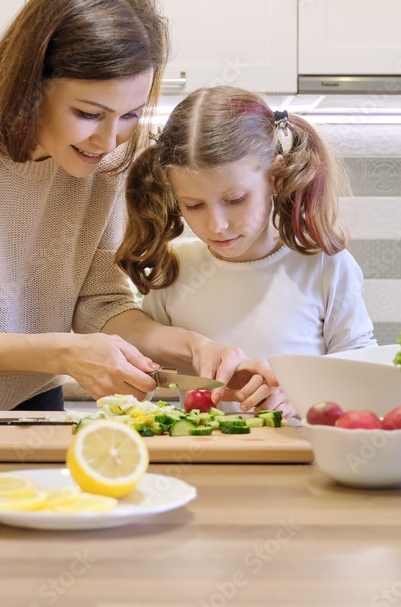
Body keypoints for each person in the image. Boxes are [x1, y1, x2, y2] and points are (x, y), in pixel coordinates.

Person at [0, 0, 278, 416]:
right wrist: (64, 353)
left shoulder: (107, 161)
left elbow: (101, 304)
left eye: (130, 114)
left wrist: (196, 350)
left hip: (31, 403)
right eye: (90, 113)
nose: (110, 141)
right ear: (30, 85)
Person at [116, 86, 377, 411]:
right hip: (202, 457)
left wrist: (304, 399)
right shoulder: (175, 269)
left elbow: (364, 374)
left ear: (276, 177)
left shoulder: (325, 267)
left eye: (235, 200)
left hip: (301, 453)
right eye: (194, 205)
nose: (216, 225)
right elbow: (145, 370)